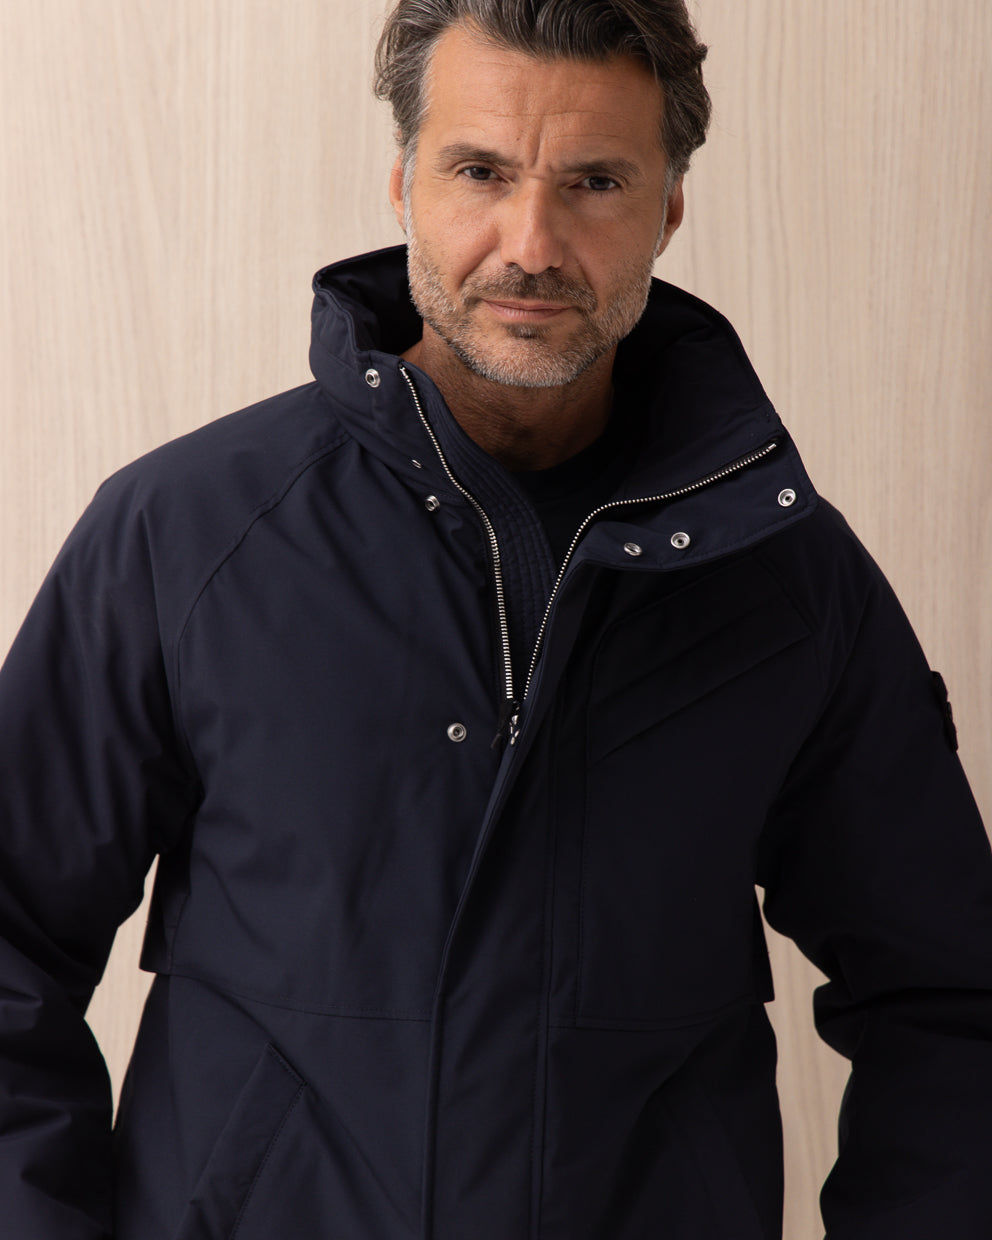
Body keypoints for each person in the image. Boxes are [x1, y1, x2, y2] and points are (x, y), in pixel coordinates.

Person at [1, 1, 991, 1236]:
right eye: (479, 172)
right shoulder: (187, 533)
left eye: (594, 182)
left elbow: (947, 997)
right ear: (403, 184)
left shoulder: (783, 577)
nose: (530, 244)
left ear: (668, 209)